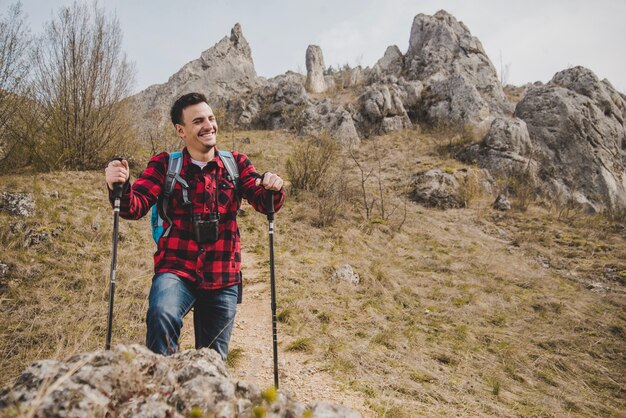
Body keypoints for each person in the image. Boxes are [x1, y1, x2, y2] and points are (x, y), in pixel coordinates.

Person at [104, 92, 285, 359]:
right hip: (176, 270)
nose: (209, 126)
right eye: (198, 121)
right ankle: (162, 385)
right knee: (162, 313)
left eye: (211, 118)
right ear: (181, 130)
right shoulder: (165, 165)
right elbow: (134, 206)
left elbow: (263, 201)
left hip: (223, 276)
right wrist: (118, 184)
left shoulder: (236, 164)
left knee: (213, 360)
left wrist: (272, 186)